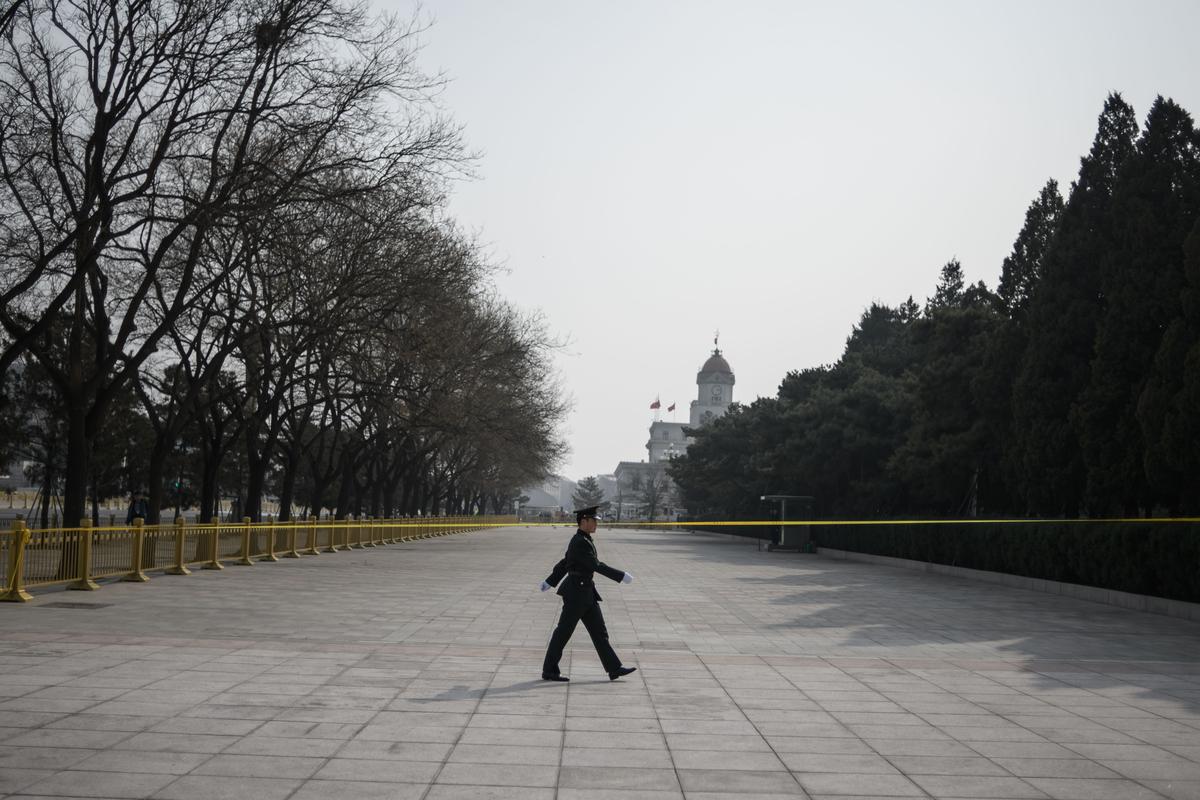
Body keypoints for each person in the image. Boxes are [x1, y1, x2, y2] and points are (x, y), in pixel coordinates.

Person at [539, 505, 637, 682]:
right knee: (563, 632)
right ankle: (549, 670)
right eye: (593, 521)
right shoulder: (579, 542)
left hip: (586, 593)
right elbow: (595, 565)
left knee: (600, 632)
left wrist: (550, 581)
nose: (596, 524)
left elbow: (565, 562)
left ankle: (614, 668)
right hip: (576, 593)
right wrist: (621, 576)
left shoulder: (583, 540)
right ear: (584, 521)